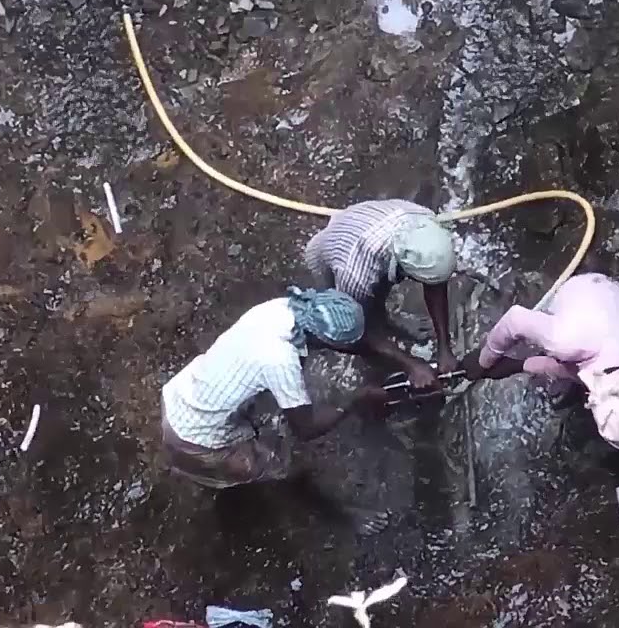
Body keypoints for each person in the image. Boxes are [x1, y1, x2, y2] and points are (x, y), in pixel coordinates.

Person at [160, 286, 389, 532]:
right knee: (285, 467)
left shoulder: (283, 308)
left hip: (179, 394)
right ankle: (336, 515)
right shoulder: (280, 360)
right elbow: (306, 429)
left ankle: (209, 475)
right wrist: (354, 401)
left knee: (257, 435)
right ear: (321, 339)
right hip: (197, 436)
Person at [461, 272, 619, 451]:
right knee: (561, 350)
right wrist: (484, 360)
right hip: (585, 288)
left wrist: (517, 366)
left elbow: (585, 370)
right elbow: (515, 319)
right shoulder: (567, 343)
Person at [304, 199, 458, 389]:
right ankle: (387, 330)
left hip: (367, 222)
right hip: (329, 252)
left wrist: (445, 347)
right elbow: (361, 331)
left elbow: (436, 284)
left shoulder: (426, 222)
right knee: (347, 328)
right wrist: (410, 365)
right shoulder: (356, 274)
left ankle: (390, 322)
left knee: (375, 297)